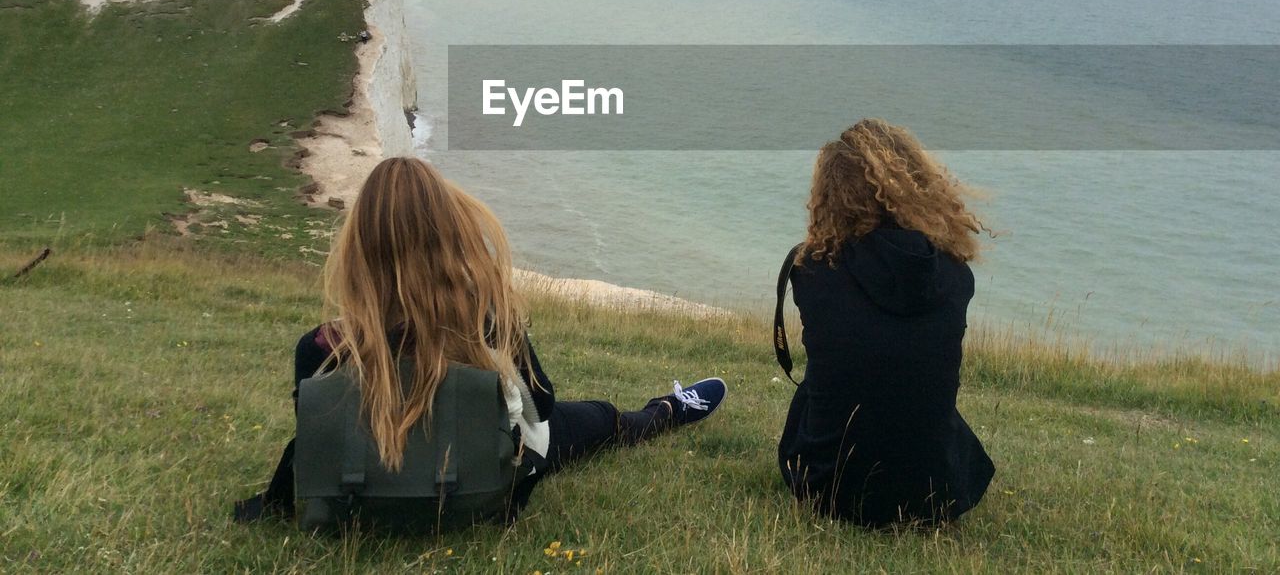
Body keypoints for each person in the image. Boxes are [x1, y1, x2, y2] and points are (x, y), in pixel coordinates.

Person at [235, 156, 725, 522]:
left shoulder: (320, 348)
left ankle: (667, 409)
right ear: (444, 230)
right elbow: (542, 405)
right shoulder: (484, 316)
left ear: (360, 244)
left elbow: (317, 434)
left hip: (364, 487)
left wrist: (275, 502)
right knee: (601, 418)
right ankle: (669, 410)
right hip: (480, 480)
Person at [777, 119, 995, 526]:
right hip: (935, 493)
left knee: (817, 387)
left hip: (829, 488)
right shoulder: (955, 275)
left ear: (830, 195)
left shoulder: (811, 272)